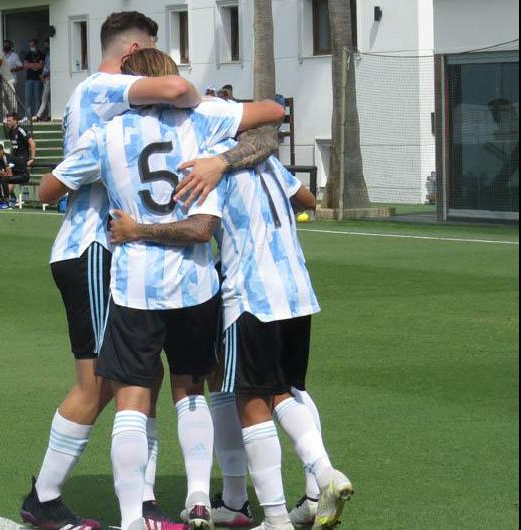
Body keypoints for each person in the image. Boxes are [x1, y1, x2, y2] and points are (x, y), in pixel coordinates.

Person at [41, 47, 284, 530]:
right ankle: (198, 497)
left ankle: (134, 518)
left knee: (131, 397)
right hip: (196, 281)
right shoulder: (204, 119)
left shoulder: (107, 132)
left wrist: (102, 184)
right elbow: (273, 115)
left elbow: (48, 189)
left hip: (135, 283)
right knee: (191, 386)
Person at [19, 11, 215, 530]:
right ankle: (45, 497)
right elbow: (176, 86)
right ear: (131, 56)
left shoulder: (97, 96)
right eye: (148, 53)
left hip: (113, 253)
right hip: (94, 247)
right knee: (102, 383)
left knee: (140, 376)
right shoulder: (106, 88)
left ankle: (142, 504)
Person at [112, 146, 354, 530]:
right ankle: (303, 489)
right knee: (284, 391)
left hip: (250, 294)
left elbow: (199, 229)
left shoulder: (211, 166)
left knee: (250, 399)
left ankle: (279, 510)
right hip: (297, 290)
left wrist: (137, 229)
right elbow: (306, 199)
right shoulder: (267, 160)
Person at [0, 143, 29, 210]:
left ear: (2, 151)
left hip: (23, 175)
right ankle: (0, 200)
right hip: (14, 176)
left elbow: (9, 174)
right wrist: (2, 173)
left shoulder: (6, 158)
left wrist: (2, 173)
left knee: (4, 179)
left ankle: (6, 202)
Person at [5, 112, 36, 180]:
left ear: (15, 121)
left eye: (9, 120)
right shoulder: (10, 132)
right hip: (15, 159)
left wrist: (32, 159)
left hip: (22, 158)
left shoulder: (21, 130)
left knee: (9, 172)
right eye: (7, 120)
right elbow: (13, 146)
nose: (8, 122)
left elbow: (32, 143)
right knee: (4, 171)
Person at [23, 39, 46, 119]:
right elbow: (25, 66)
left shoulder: (41, 54)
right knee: (28, 99)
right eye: (30, 45)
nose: (31, 47)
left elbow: (41, 66)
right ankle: (27, 116)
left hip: (38, 79)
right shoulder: (28, 54)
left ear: (36, 45)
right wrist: (35, 65)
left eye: (32, 45)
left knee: (37, 99)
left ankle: (36, 116)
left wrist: (31, 65)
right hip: (29, 79)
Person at [33, 51, 51, 122]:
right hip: (46, 79)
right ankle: (49, 115)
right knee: (48, 99)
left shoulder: (49, 56)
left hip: (48, 79)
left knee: (44, 98)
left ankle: (38, 116)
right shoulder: (47, 56)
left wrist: (42, 75)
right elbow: (45, 68)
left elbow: (48, 69)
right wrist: (42, 76)